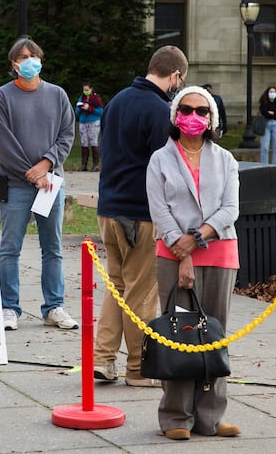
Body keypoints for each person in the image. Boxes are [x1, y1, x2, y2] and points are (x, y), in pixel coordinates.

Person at [146, 85, 240, 441]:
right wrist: (181, 250)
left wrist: (196, 239)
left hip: (219, 251)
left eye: (203, 111)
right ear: (175, 115)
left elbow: (230, 209)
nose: (194, 116)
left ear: (211, 118)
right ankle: (175, 417)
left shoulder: (226, 159)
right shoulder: (160, 159)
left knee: (214, 335)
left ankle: (211, 417)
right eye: (187, 109)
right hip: (172, 253)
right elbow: (159, 209)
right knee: (178, 335)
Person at [93, 45, 188, 386]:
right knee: (142, 292)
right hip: (140, 214)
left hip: (109, 209)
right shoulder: (160, 110)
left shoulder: (116, 101)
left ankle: (103, 359)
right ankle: (138, 368)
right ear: (175, 76)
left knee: (116, 287)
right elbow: (163, 169)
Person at [0, 38, 77, 331]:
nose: (28, 60)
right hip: (11, 183)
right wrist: (31, 172)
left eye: (33, 55)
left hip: (50, 182)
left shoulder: (58, 94)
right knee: (9, 247)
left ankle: (54, 306)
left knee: (53, 247)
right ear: (13, 64)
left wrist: (44, 166)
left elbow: (66, 134)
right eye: (22, 57)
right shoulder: (2, 97)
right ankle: (8, 307)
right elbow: (2, 142)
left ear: (41, 59)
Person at [74, 81, 104, 172]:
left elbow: (101, 112)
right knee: (84, 142)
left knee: (93, 141)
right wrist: (80, 108)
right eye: (84, 90)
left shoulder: (96, 98)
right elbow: (76, 112)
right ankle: (84, 164)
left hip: (94, 122)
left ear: (91, 89)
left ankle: (95, 165)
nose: (85, 91)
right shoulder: (81, 98)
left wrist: (89, 108)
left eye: (87, 90)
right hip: (83, 122)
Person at [258, 86, 276, 164]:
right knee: (265, 148)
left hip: (275, 125)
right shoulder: (264, 103)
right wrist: (272, 114)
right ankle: (264, 165)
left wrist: (272, 113)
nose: (272, 94)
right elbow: (264, 112)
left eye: (274, 92)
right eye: (271, 92)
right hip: (266, 125)